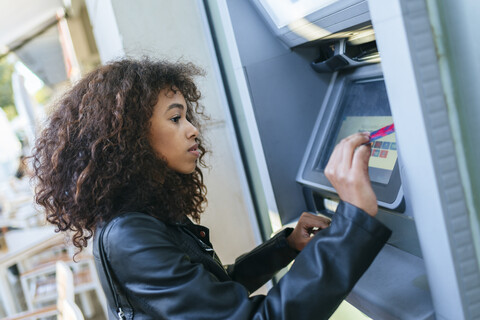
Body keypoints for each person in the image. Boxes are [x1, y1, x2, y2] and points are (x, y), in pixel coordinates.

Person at [32, 58, 391, 319]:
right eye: (176, 118)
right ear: (128, 138)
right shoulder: (130, 235)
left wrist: (286, 246)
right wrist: (355, 219)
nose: (193, 129)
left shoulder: (144, 214)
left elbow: (213, 293)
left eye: (187, 116)